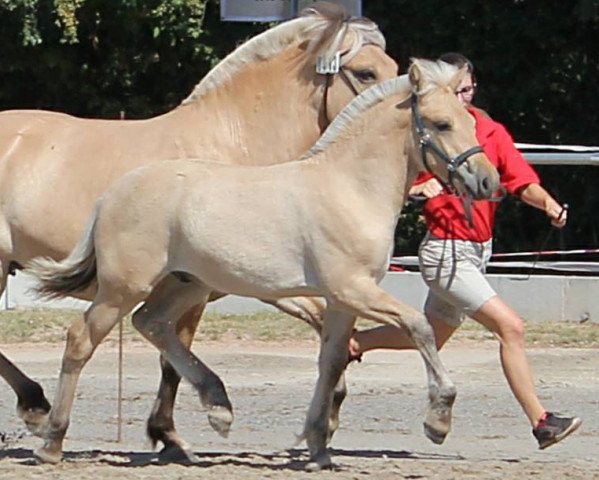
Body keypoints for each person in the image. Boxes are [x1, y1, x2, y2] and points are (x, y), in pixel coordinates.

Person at [349, 52, 581, 449]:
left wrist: (549, 206)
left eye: (468, 88)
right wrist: (419, 188)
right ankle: (541, 421)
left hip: (477, 252)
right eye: (457, 91)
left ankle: (350, 345)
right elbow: (381, 181)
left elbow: (520, 178)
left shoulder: (489, 131)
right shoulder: (429, 133)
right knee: (511, 327)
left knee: (430, 337)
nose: (464, 97)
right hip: (445, 254)